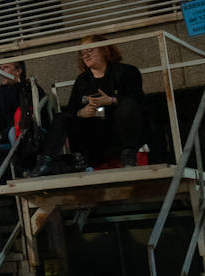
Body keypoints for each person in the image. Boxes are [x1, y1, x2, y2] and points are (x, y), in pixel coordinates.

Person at [29, 37, 146, 175]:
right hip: (93, 132)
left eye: (90, 50)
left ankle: (128, 157)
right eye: (82, 53)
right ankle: (45, 162)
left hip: (118, 130)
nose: (86, 55)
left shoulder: (127, 71)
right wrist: (81, 113)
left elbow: (137, 101)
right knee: (62, 117)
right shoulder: (82, 80)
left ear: (104, 50)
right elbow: (72, 109)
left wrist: (112, 100)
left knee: (126, 105)